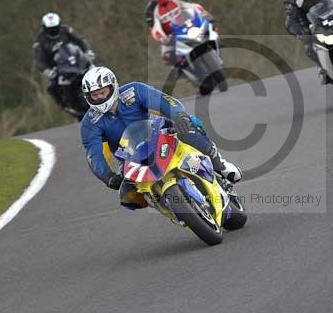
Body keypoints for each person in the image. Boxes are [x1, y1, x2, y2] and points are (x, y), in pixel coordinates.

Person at [80, 66, 241, 209]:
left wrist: (178, 116)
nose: (100, 98)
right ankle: (163, 202)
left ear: (113, 86)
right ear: (88, 97)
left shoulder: (134, 91)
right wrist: (107, 176)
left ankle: (220, 164)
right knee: (127, 197)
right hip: (130, 159)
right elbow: (94, 154)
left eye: (103, 92)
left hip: (160, 134)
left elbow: (163, 100)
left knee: (190, 125)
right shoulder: (90, 123)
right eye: (95, 95)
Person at [144, 0, 215, 67]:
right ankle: (183, 72)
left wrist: (205, 14)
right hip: (171, 38)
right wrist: (163, 38)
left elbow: (192, 6)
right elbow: (155, 28)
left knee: (211, 30)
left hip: (188, 27)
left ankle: (216, 49)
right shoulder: (151, 9)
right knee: (167, 57)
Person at [33, 12, 96, 110]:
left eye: (55, 27)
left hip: (75, 59)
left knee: (94, 69)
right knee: (52, 87)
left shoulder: (65, 30)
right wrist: (47, 71)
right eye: (50, 29)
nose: (53, 31)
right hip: (57, 67)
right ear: (44, 28)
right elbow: (39, 60)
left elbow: (80, 40)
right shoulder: (40, 40)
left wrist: (87, 51)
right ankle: (66, 105)